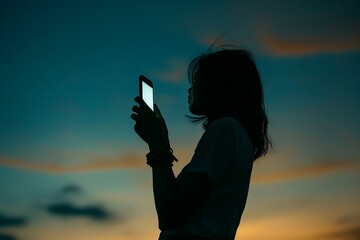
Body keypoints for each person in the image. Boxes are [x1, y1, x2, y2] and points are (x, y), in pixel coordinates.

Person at [131, 48, 272, 240]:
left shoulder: (225, 130)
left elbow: (171, 215)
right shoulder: (237, 135)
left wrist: (157, 145)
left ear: (216, 85)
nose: (190, 89)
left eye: (197, 81)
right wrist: (161, 140)